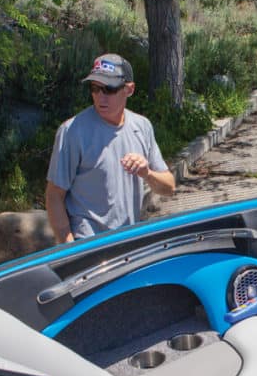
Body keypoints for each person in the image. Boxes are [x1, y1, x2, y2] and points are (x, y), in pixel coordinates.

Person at [46, 53, 175, 243]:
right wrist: (70, 249)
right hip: (88, 245)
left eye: (109, 89)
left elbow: (169, 187)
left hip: (127, 244)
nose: (100, 96)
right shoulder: (72, 131)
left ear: (129, 90)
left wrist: (147, 173)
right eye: (95, 88)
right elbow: (54, 196)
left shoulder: (142, 126)